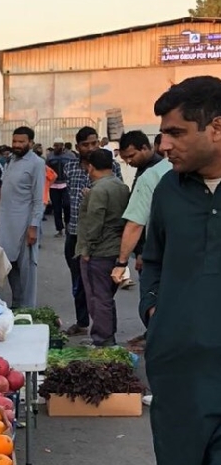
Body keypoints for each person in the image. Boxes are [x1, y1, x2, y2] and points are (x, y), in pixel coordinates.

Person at [139, 75, 221, 465]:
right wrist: (154, 308)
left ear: (216, 127)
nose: (164, 143)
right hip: (181, 380)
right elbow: (155, 260)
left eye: (177, 133)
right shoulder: (169, 190)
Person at [62, 126, 122, 336]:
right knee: (79, 283)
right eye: (86, 144)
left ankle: (104, 332)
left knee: (100, 288)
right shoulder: (69, 167)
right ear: (78, 147)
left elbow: (112, 204)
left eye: (94, 143)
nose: (91, 147)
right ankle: (82, 321)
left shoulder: (110, 167)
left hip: (100, 239)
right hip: (75, 232)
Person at [75, 148, 130, 345]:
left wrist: (87, 250)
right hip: (116, 248)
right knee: (107, 297)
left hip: (98, 251)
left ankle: (102, 339)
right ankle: (108, 337)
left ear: (90, 167)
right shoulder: (121, 186)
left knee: (98, 299)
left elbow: (95, 222)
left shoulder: (98, 189)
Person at [0, 126, 45, 308]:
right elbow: (5, 182)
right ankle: (16, 304)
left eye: (21, 142)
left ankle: (29, 310)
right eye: (15, 141)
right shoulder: (11, 161)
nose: (17, 145)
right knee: (10, 265)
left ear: (30, 143)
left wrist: (33, 226)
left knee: (27, 270)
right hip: (6, 223)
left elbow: (39, 199)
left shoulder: (37, 163)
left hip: (24, 224)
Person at [111, 130, 170, 292]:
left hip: (154, 252)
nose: (129, 162)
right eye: (126, 158)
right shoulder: (149, 169)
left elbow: (137, 222)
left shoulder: (152, 174)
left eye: (132, 156)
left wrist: (124, 261)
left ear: (145, 148)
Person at [47, 139, 70, 237]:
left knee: (67, 206)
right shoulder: (50, 156)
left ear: (63, 145)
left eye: (58, 145)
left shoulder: (70, 156)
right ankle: (59, 229)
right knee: (57, 208)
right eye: (55, 145)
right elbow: (47, 171)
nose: (57, 147)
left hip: (66, 185)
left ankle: (68, 227)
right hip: (54, 186)